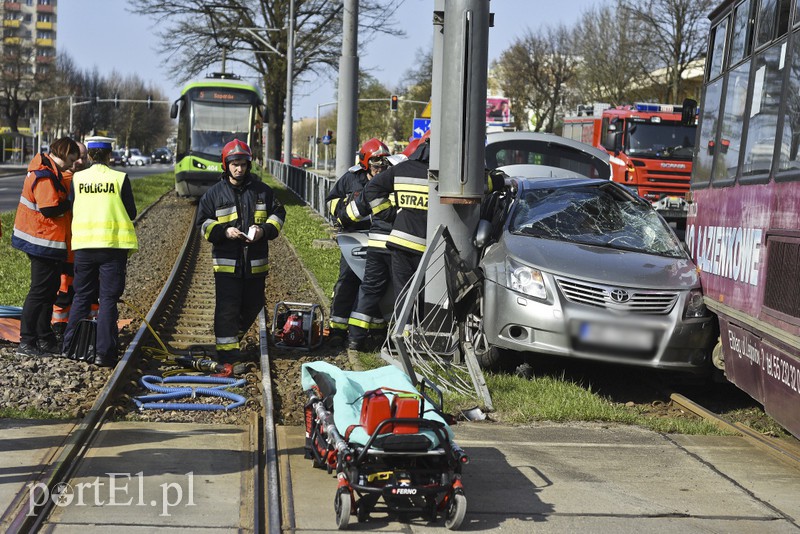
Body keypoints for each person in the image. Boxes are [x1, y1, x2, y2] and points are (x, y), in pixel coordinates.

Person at [196, 139, 286, 363]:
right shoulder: (213, 194)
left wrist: (263, 230)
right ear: (225, 165)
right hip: (227, 264)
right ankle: (227, 355)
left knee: (254, 305)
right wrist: (224, 232)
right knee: (227, 308)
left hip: (255, 264)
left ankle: (230, 342)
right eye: (235, 164)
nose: (239, 168)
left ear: (249, 165)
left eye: (243, 164)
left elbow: (278, 214)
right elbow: (203, 224)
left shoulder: (263, 191)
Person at [61, 136, 138, 367]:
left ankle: (69, 348)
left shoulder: (78, 179)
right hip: (111, 248)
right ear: (109, 155)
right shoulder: (120, 178)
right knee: (107, 300)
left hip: (84, 247)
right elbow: (131, 212)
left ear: (89, 155)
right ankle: (103, 353)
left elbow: (73, 205)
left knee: (82, 297)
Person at [12, 137, 80, 357]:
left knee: (49, 292)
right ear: (63, 152)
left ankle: (44, 338)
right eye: (71, 159)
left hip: (47, 242)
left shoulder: (51, 172)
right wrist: (69, 202)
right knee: (39, 292)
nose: (73, 164)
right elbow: (49, 209)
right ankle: (27, 341)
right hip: (40, 242)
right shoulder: (43, 174)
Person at [324, 138, 390, 346]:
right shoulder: (351, 179)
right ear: (365, 163)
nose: (380, 168)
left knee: (378, 284)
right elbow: (331, 201)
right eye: (376, 163)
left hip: (380, 238)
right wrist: (344, 209)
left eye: (383, 163)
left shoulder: (390, 179)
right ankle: (338, 328)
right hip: (353, 237)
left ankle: (378, 329)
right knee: (347, 280)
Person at [51, 141, 89, 342]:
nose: (80, 161)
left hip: (83, 245)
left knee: (85, 289)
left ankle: (83, 325)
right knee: (64, 289)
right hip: (68, 246)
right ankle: (59, 326)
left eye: (84, 157)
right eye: (77, 157)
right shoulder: (65, 180)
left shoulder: (83, 180)